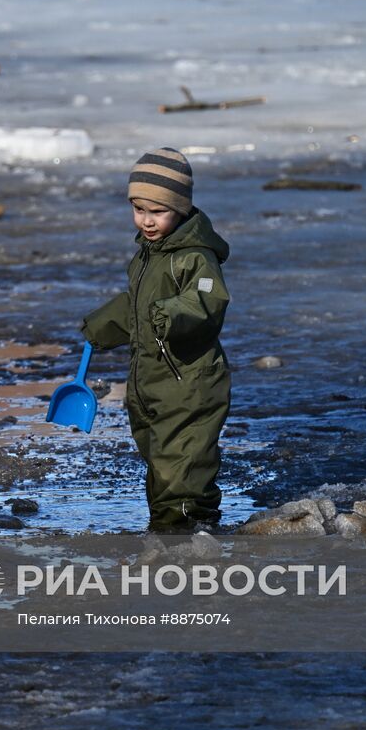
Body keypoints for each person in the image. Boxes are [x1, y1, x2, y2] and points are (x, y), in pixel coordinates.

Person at [80, 148, 232, 530]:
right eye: (139, 209)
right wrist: (104, 324)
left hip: (189, 383)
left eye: (157, 211)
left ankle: (187, 533)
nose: (146, 221)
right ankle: (167, 527)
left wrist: (173, 312)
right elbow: (138, 304)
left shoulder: (195, 256)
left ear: (180, 208)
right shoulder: (150, 254)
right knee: (159, 460)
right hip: (151, 381)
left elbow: (207, 301)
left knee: (182, 466)